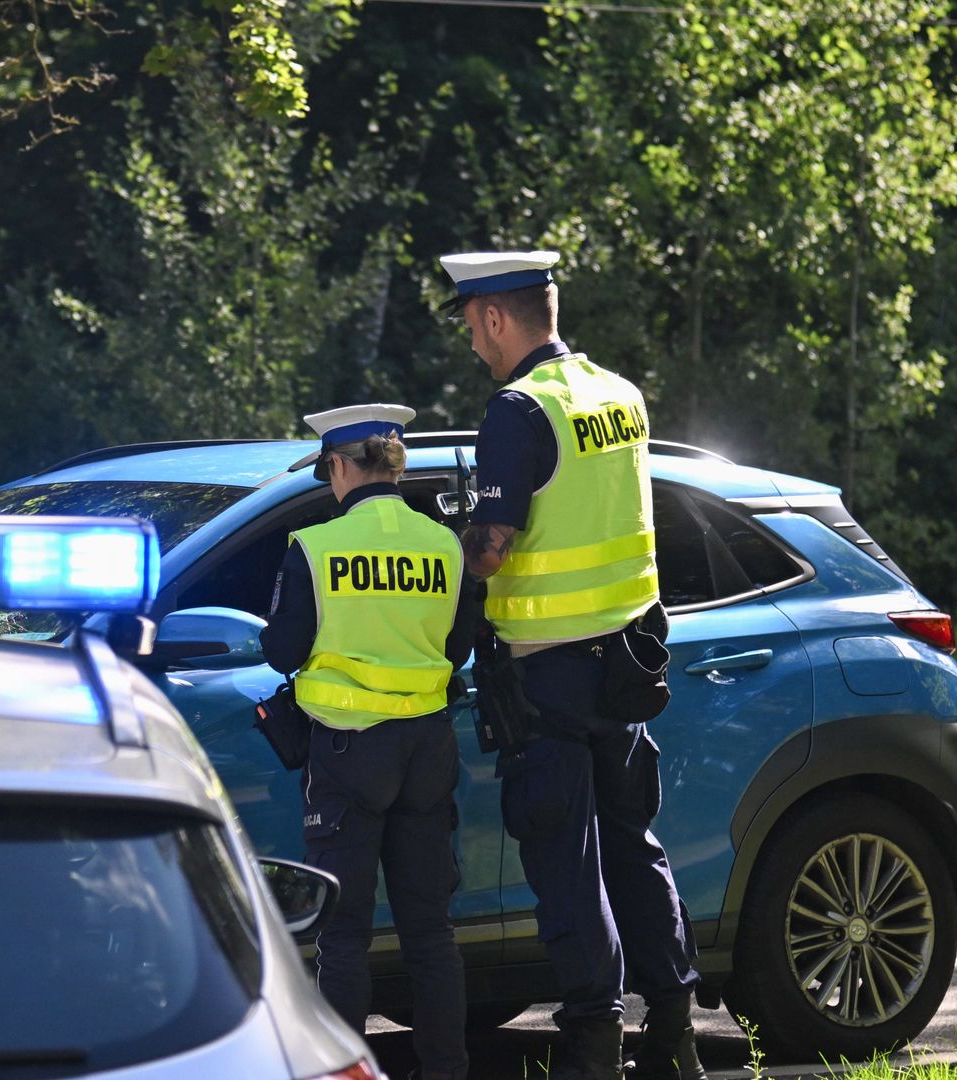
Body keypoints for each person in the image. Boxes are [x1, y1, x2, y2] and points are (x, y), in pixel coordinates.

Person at [435, 250, 707, 1080]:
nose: (474, 345)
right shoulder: (617, 395)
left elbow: (488, 551)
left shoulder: (516, 411)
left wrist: (438, 548)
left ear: (494, 318)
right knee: (633, 846)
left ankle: (593, 1044)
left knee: (566, 859)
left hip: (548, 673)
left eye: (472, 328)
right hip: (625, 664)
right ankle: (671, 1032)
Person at [260, 403, 482, 1080]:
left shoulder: (315, 547)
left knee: (344, 936)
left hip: (349, 755)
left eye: (327, 470)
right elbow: (459, 645)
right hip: (426, 750)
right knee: (430, 933)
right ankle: (445, 1071)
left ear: (338, 466)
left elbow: (281, 651)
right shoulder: (445, 545)